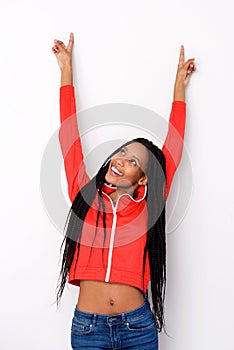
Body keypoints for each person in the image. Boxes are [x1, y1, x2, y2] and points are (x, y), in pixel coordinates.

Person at [52, 32, 196, 350]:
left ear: (143, 178)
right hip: (88, 330)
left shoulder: (150, 205)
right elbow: (69, 135)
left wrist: (179, 90)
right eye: (121, 152)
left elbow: (172, 146)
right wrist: (65, 71)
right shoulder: (85, 195)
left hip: (138, 327)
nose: (120, 160)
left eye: (133, 161)